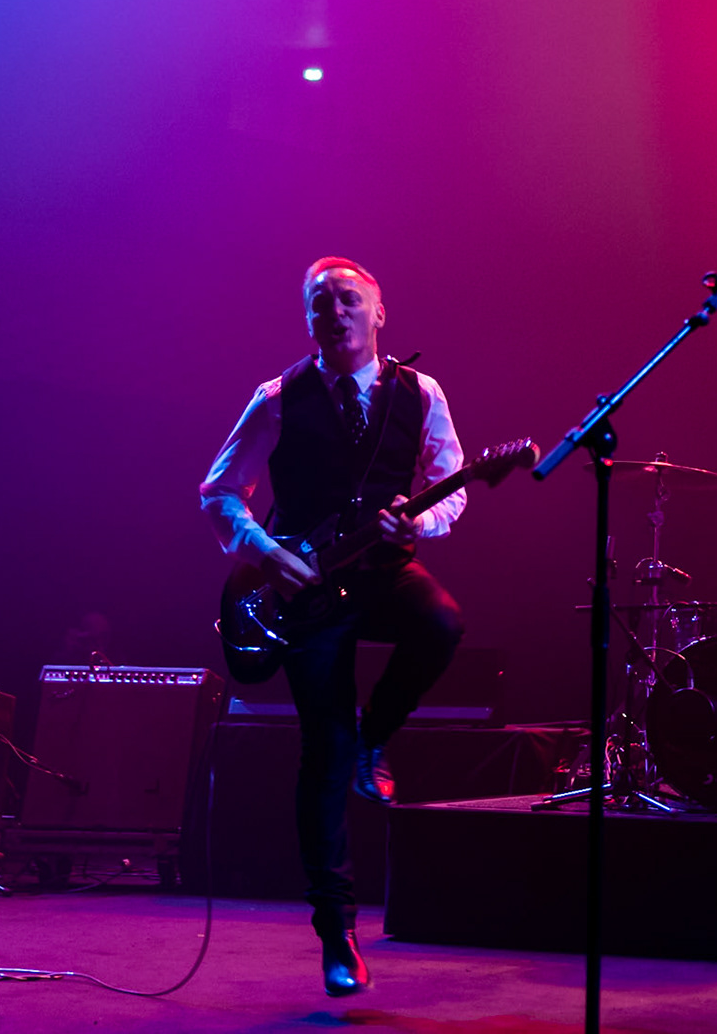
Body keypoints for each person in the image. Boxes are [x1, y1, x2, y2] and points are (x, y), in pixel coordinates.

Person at [200, 257, 468, 997]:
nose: (334, 311)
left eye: (348, 299)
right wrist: (265, 549)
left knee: (441, 624)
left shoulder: (422, 393)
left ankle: (376, 737)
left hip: (380, 570)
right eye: (320, 302)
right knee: (323, 752)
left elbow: (452, 481)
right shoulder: (279, 395)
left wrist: (419, 517)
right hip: (304, 590)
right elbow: (221, 490)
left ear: (379, 313)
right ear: (307, 317)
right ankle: (338, 933)